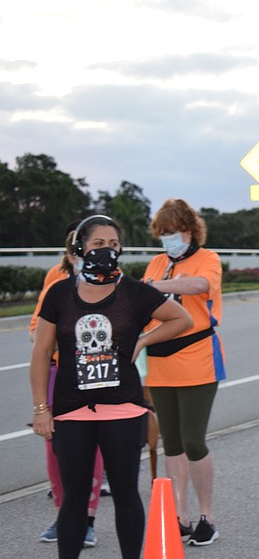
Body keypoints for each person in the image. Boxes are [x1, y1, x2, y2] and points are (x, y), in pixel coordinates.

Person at [30, 215, 191, 559]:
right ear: (80, 248)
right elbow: (41, 352)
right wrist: (41, 409)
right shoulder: (60, 293)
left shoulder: (133, 292)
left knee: (126, 494)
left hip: (124, 410)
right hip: (72, 411)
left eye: (114, 244)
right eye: (98, 244)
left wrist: (143, 340)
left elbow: (182, 319)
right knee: (73, 498)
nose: (107, 250)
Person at [143, 198, 227, 546]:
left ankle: (207, 516)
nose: (168, 239)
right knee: (172, 442)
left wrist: (156, 287)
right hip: (159, 363)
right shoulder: (156, 263)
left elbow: (199, 285)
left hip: (197, 361)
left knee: (193, 441)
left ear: (190, 230)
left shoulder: (207, 259)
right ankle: (179, 515)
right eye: (162, 233)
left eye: (173, 231)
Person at [31, 226, 104, 548]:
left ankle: (87, 520)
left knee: (93, 445)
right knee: (55, 446)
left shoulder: (110, 281)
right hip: (58, 372)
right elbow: (36, 331)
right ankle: (63, 515)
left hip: (95, 373)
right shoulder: (55, 280)